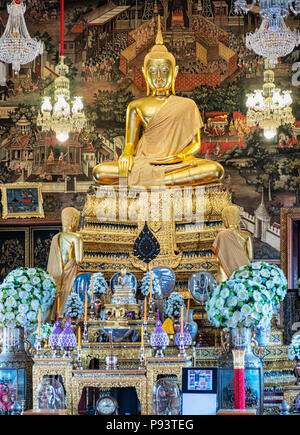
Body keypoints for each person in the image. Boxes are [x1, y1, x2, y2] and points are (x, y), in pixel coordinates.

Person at [93, 16, 224, 188]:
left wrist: (178, 157)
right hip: (144, 162)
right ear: (145, 73)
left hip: (176, 164)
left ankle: (152, 182)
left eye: (164, 70)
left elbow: (195, 144)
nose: (159, 78)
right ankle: (162, 182)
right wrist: (126, 155)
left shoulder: (187, 105)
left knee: (214, 170)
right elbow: (130, 144)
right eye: (153, 72)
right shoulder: (136, 106)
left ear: (174, 72)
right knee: (100, 172)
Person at [47, 207, 83, 319]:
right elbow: (79, 260)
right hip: (70, 275)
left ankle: (56, 318)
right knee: (69, 296)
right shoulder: (76, 237)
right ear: (73, 220)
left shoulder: (55, 238)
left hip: (58, 276)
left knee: (60, 293)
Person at [212, 205, 253, 283]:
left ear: (225, 219)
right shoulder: (247, 235)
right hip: (244, 271)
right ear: (238, 217)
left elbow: (218, 258)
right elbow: (250, 257)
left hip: (226, 273)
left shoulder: (221, 235)